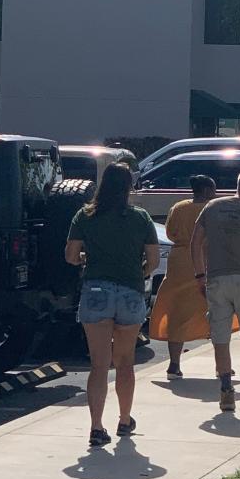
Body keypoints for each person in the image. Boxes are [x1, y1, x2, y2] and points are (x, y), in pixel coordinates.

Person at [65, 162, 159, 448]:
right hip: (129, 291)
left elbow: (70, 255)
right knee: (125, 362)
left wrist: (86, 261)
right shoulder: (140, 217)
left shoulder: (85, 215)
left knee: (99, 365)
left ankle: (96, 427)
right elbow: (153, 261)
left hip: (96, 289)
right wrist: (137, 271)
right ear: (129, 186)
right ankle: (124, 418)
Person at [190, 168, 240, 413]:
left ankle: (226, 392)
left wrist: (199, 275)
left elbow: (196, 242)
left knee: (220, 337)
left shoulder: (212, 207)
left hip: (216, 278)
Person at [148, 175, 215, 380]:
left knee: (177, 312)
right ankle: (222, 363)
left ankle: (174, 363)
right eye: (213, 190)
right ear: (205, 191)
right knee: (215, 311)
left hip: (179, 262)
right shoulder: (212, 208)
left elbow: (169, 233)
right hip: (204, 259)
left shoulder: (178, 207)